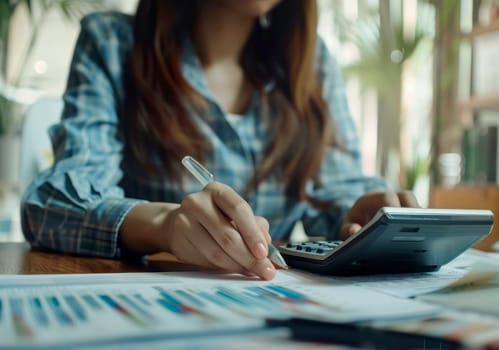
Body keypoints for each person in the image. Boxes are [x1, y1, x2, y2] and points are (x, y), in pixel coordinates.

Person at [21, 0, 418, 281]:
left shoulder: (310, 64)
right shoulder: (112, 42)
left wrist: (363, 211)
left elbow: (336, 193)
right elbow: (53, 204)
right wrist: (164, 225)